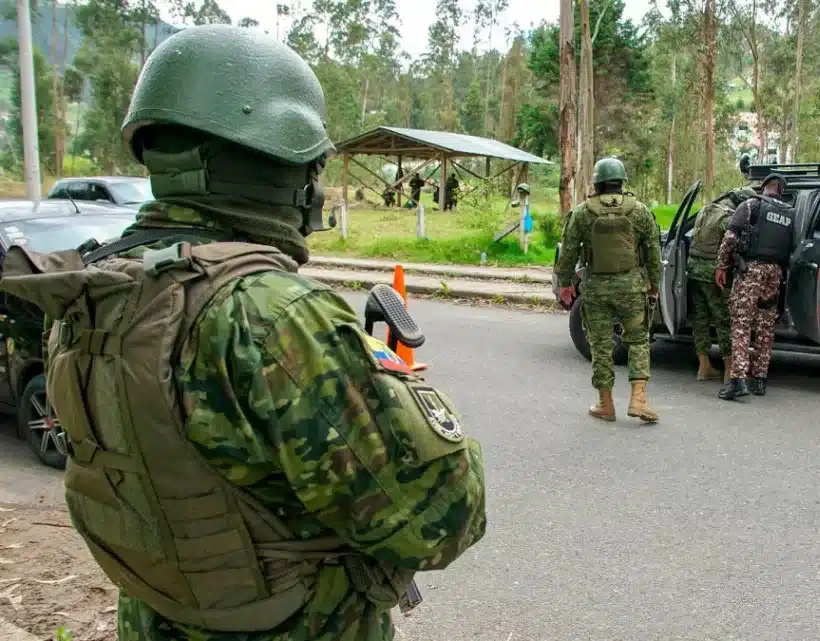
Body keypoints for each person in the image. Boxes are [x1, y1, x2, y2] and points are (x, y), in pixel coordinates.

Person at [0, 24, 486, 641]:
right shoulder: (274, 316)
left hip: (159, 615)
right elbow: (444, 516)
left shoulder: (97, 289)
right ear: (285, 167)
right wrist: (406, 397)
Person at [555, 157, 662, 424]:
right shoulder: (640, 211)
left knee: (601, 346)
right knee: (638, 341)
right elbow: (653, 253)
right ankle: (638, 399)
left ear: (597, 183)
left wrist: (565, 285)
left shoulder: (582, 213)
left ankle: (605, 404)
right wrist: (654, 285)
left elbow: (567, 255)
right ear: (622, 181)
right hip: (631, 288)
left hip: (595, 290)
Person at [716, 174, 796, 400]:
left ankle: (738, 380)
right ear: (781, 190)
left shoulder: (751, 205)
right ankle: (759, 379)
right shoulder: (790, 213)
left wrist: (722, 265)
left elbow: (730, 238)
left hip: (751, 271)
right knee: (765, 326)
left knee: (741, 323)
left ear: (763, 188)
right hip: (775, 274)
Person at [686, 187, 758, 383]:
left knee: (699, 319)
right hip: (712, 274)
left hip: (693, 269)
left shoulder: (706, 209)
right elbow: (731, 247)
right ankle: (728, 370)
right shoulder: (729, 218)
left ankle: (703, 366)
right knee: (723, 319)